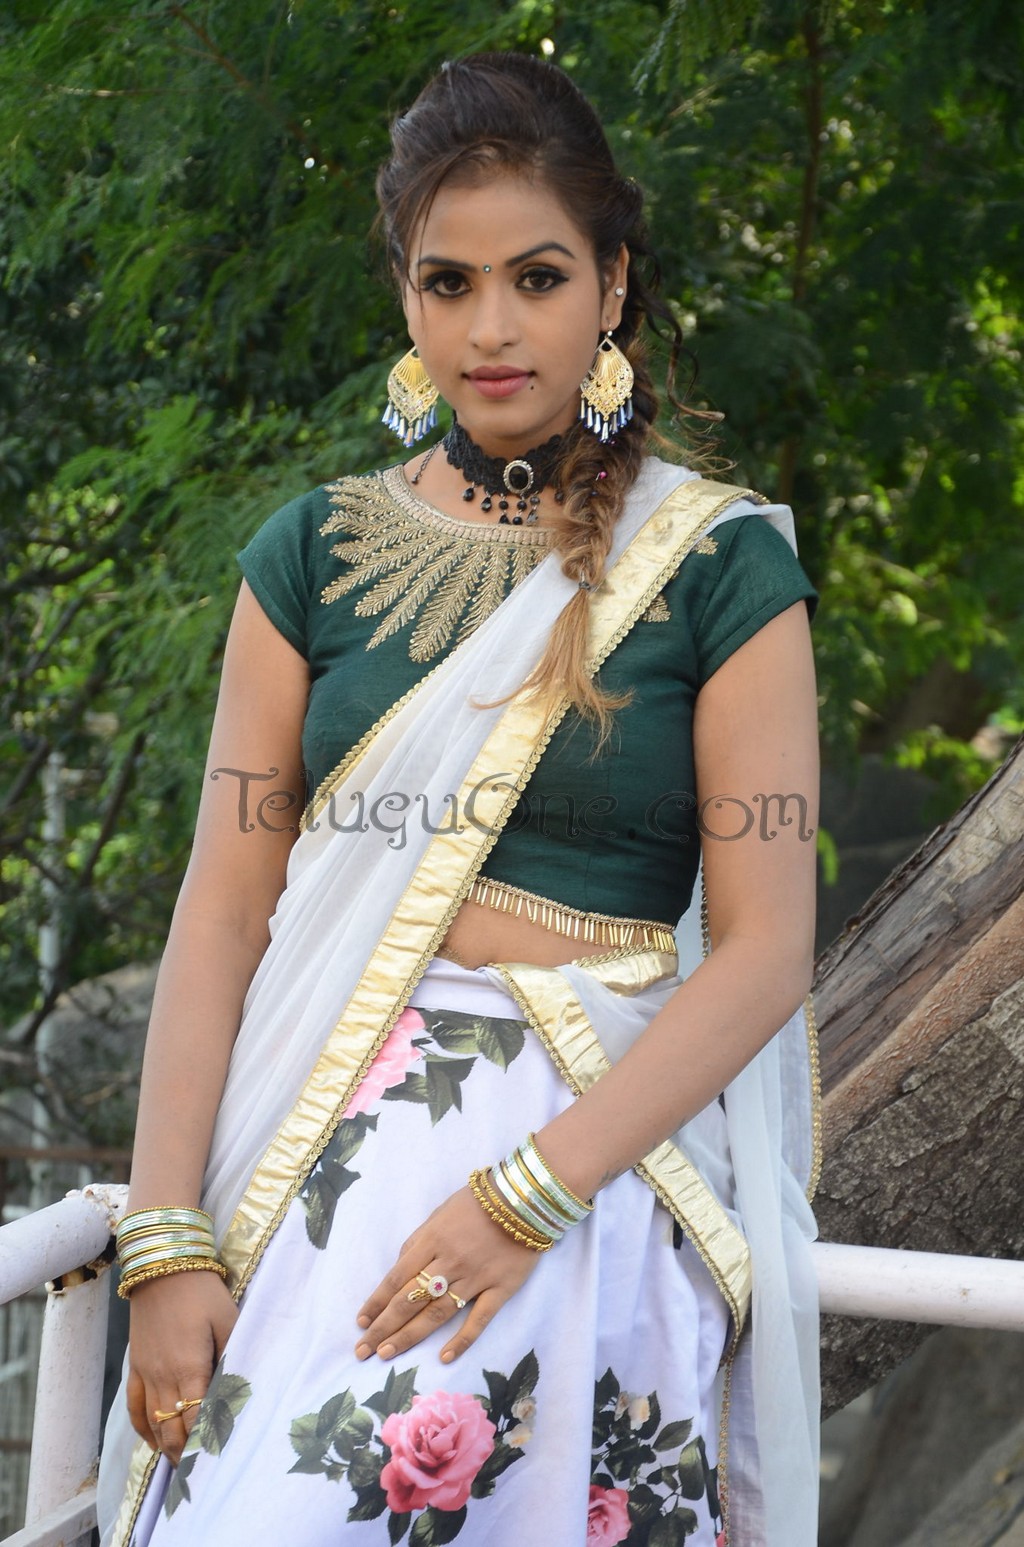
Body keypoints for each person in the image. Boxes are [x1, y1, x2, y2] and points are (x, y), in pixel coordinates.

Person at [97, 50, 821, 1547]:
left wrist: (528, 1199)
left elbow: (766, 950)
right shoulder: (309, 555)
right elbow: (224, 911)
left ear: (612, 285)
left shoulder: (719, 565)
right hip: (312, 1164)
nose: (491, 329)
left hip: (586, 1179)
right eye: (449, 283)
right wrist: (164, 1239)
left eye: (538, 278)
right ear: (405, 297)